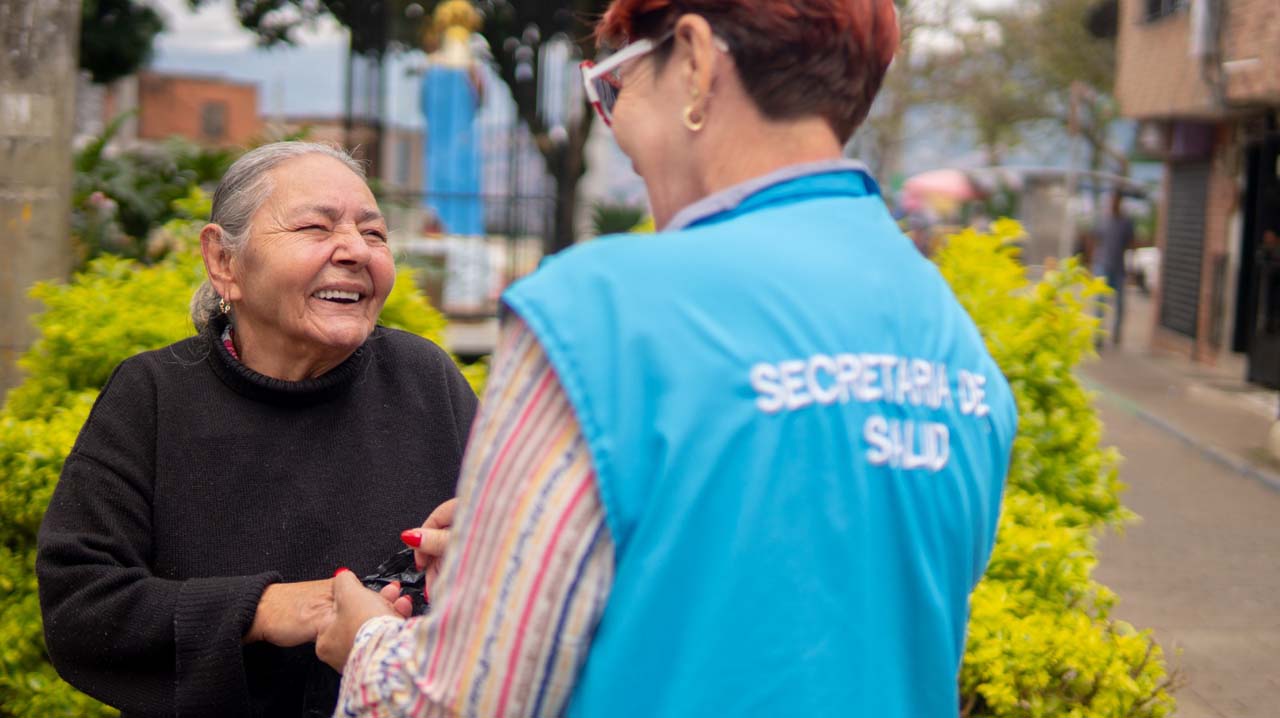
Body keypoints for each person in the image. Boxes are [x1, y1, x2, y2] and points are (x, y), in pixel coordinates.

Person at [319, 3, 1018, 717]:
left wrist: (368, 640)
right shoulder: (953, 342)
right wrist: (527, 530)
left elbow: (457, 704)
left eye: (617, 85)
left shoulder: (601, 310)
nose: (617, 127)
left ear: (693, 59)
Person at [36, 141, 478, 717]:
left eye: (374, 234)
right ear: (224, 261)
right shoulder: (153, 395)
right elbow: (80, 606)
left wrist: (472, 557)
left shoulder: (427, 379)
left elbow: (521, 579)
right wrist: (264, 610)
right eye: (316, 227)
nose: (354, 251)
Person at [1094, 190, 1136, 346]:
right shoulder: (1103, 220)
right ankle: (1098, 336)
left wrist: (1131, 268)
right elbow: (1096, 241)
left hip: (1119, 268)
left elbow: (1131, 245)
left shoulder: (1125, 223)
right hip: (1102, 266)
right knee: (1100, 302)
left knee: (1119, 305)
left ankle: (1116, 335)